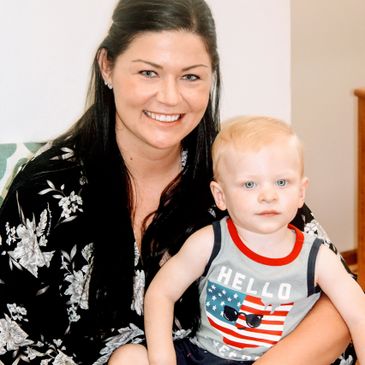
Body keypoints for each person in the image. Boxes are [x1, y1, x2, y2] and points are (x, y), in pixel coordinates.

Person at [0, 0, 355, 364]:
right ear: (107, 66)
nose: (170, 97)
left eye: (191, 76)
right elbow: (9, 338)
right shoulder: (44, 190)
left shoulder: (238, 172)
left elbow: (340, 299)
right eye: (148, 73)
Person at [144, 116, 365, 365]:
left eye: (282, 182)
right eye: (249, 184)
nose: (268, 195)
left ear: (301, 192)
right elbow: (161, 293)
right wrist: (162, 358)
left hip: (272, 361)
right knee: (128, 357)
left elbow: (358, 314)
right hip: (200, 355)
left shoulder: (317, 257)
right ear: (221, 195)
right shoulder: (210, 243)